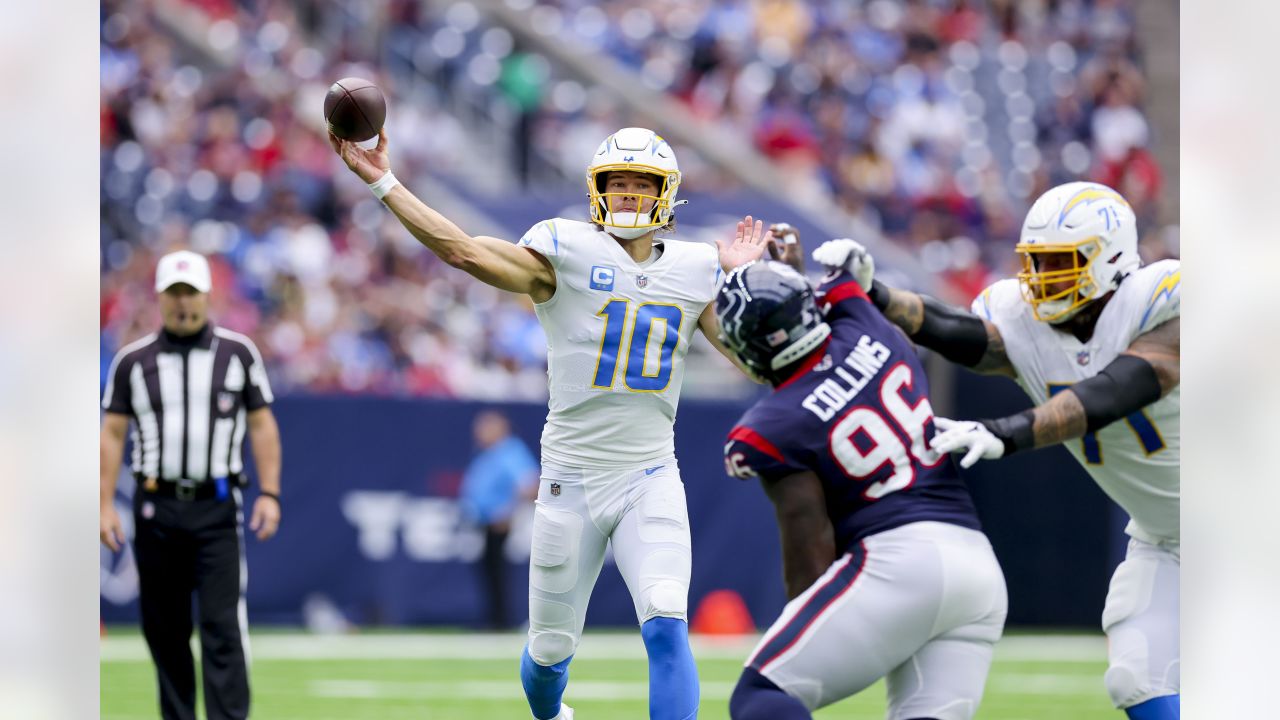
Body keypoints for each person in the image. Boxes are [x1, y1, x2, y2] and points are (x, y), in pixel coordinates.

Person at [330, 125, 772, 720]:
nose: (630, 197)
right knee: (547, 657)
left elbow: (754, 359)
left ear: (667, 195)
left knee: (667, 622)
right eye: (618, 185)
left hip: (649, 473)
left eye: (643, 185)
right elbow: (465, 251)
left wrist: (747, 284)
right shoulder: (565, 250)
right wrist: (384, 181)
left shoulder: (697, 268)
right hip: (571, 480)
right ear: (597, 190)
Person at [819, 181, 1180, 720]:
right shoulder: (1027, 321)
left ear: (1111, 261)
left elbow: (1116, 389)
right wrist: (876, 296)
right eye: (1036, 263)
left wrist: (1007, 432)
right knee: (1139, 676)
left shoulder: (1161, 304)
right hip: (1166, 536)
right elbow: (964, 333)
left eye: (1061, 263)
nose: (1041, 280)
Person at [716, 257, 1008, 720]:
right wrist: (785, 267)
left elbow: (809, 545)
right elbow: (836, 288)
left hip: (898, 560)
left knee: (761, 697)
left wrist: (809, 626)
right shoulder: (865, 323)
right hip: (977, 566)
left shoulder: (769, 427)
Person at [99, 250, 283, 720]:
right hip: (156, 508)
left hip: (217, 508)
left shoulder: (238, 354)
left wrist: (269, 492)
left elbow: (262, 424)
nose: (183, 303)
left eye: (191, 293)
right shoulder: (133, 362)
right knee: (165, 629)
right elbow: (113, 433)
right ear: (160, 298)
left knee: (222, 626)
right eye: (174, 293)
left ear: (207, 295)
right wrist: (102, 503)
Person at [458, 410, 540, 629]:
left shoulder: (510, 450)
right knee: (488, 573)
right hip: (482, 523)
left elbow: (529, 484)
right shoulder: (487, 453)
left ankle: (502, 621)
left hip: (499, 524)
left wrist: (508, 511)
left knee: (499, 573)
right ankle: (494, 619)